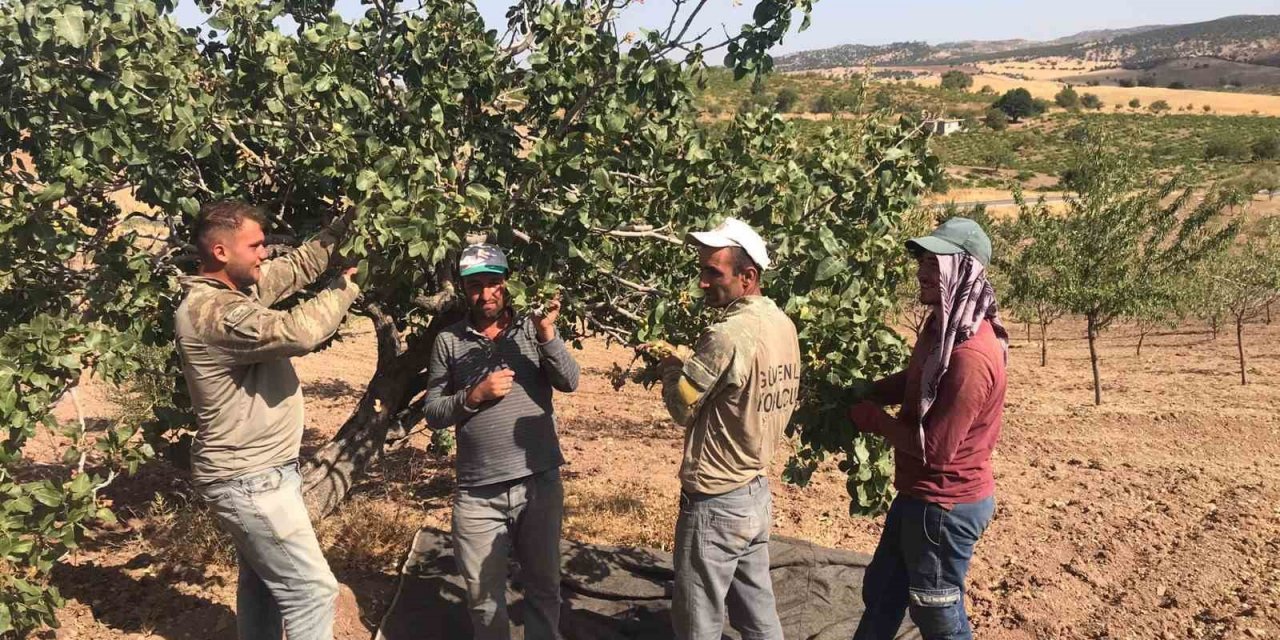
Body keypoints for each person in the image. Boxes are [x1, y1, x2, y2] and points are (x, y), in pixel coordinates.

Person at [175, 201, 361, 640]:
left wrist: (346, 224)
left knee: (262, 588)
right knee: (313, 593)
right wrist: (345, 287)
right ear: (221, 252)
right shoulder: (213, 313)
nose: (265, 254)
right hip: (249, 479)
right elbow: (299, 332)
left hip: (261, 474)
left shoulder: (239, 292)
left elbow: (296, 266)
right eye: (255, 245)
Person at [847, 217, 1009, 640]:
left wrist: (874, 420)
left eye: (933, 263)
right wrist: (870, 391)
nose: (921, 271)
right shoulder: (943, 329)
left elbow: (936, 452)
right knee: (883, 592)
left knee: (936, 612)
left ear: (962, 271)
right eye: (921, 260)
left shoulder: (970, 357)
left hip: (943, 506)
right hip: (919, 496)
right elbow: (916, 379)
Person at [650, 218, 801, 640]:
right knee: (759, 617)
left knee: (698, 624)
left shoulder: (727, 335)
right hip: (754, 493)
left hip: (715, 504)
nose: (701, 282)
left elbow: (682, 406)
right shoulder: (781, 324)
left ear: (747, 277)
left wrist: (670, 368)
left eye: (712, 272)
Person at [422, 243, 580, 640]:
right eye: (476, 286)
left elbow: (570, 381)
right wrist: (473, 396)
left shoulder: (531, 328)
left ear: (507, 284)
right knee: (482, 596)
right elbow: (434, 412)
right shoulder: (449, 341)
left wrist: (548, 334)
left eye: (494, 284)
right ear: (463, 288)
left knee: (544, 588)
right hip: (477, 493)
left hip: (538, 483)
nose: (486, 294)